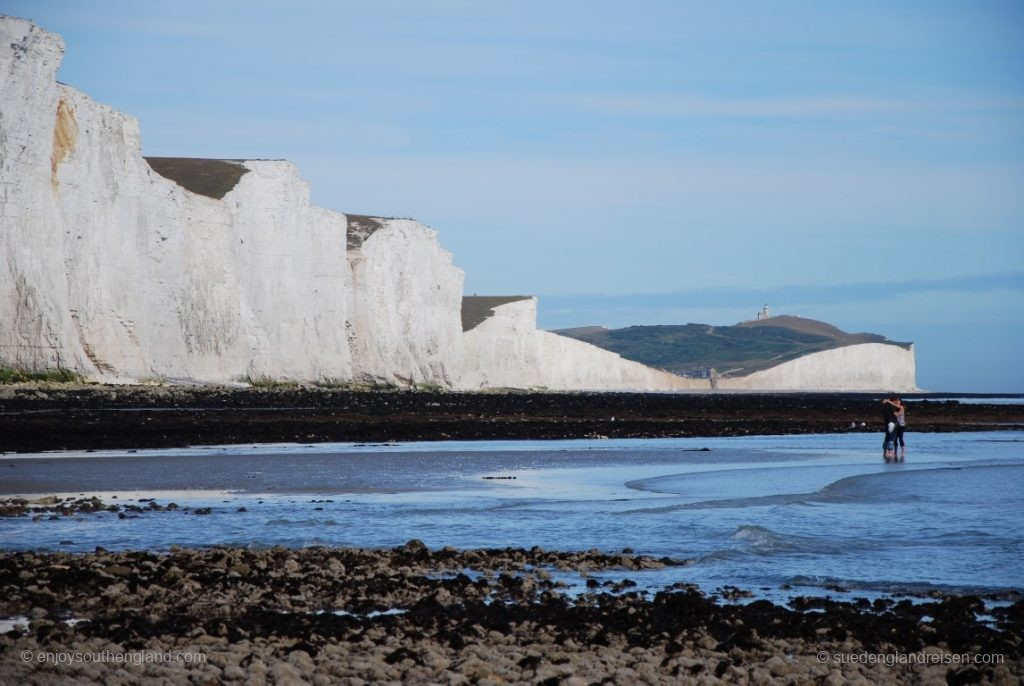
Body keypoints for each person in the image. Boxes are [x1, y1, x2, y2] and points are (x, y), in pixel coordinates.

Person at [880, 395, 899, 460]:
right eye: (897, 401)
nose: (898, 402)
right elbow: (896, 414)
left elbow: (882, 402)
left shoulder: (885, 405)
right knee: (892, 437)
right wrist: (900, 411)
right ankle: (890, 452)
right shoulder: (892, 406)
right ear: (894, 400)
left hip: (886, 422)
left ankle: (885, 452)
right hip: (892, 423)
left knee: (887, 437)